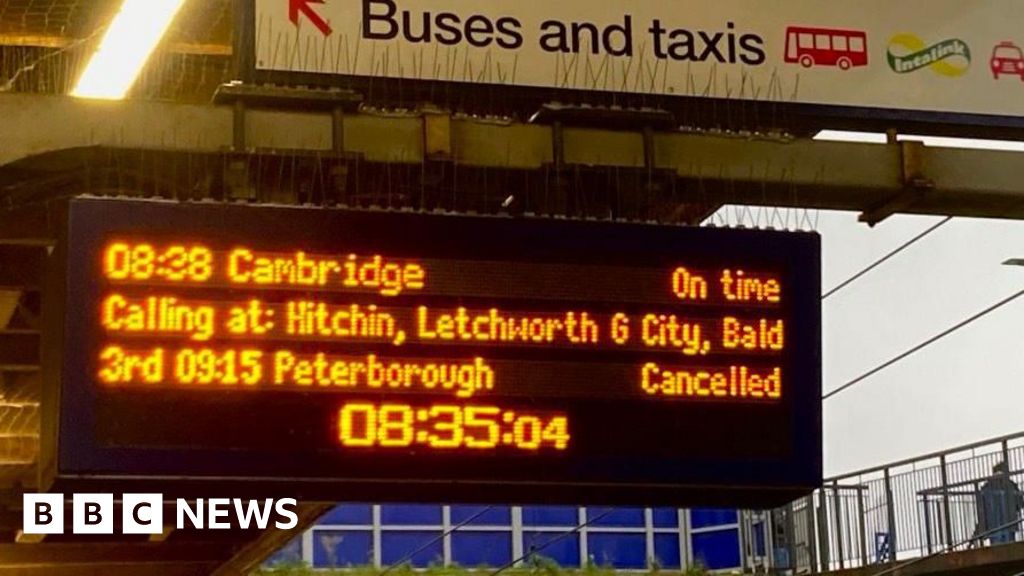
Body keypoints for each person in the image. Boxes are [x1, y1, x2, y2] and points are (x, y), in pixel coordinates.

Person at [975, 462, 1024, 545]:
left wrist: (983, 527)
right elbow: (1020, 504)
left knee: (996, 548)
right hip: (1009, 524)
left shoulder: (987, 486)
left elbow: (981, 509)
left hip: (993, 526)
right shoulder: (1011, 485)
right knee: (1010, 548)